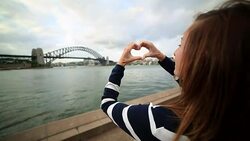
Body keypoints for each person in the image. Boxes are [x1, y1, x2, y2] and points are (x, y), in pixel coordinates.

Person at [100, 0, 250, 140]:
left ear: (200, 59)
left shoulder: (156, 122)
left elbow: (107, 103)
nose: (174, 53)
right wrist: (160, 56)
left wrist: (120, 64)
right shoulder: (231, 113)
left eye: (180, 44)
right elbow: (191, 79)